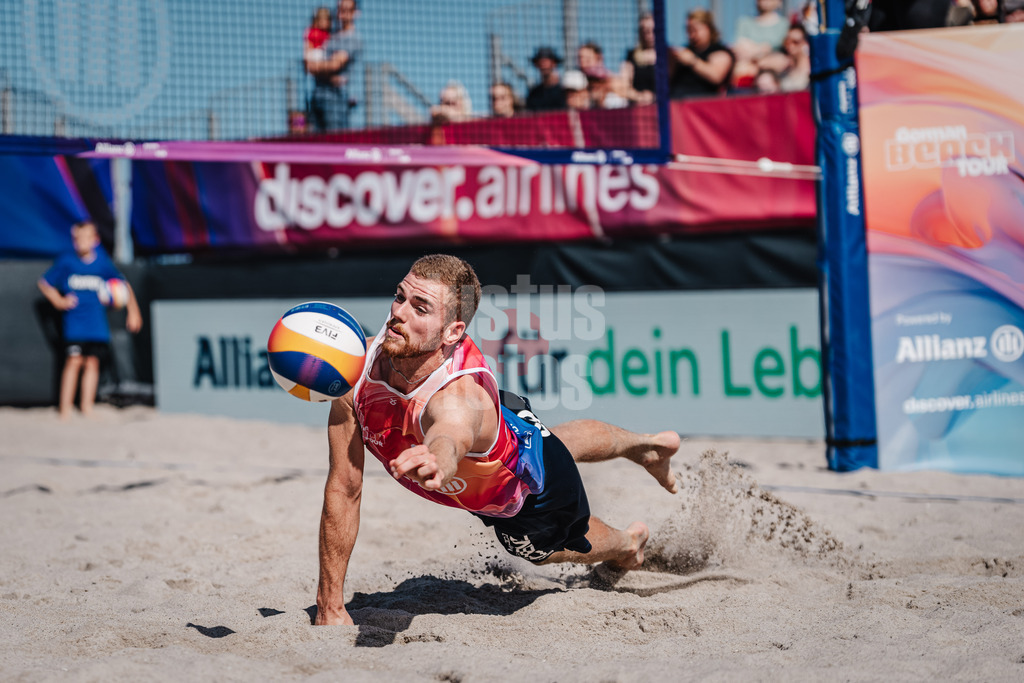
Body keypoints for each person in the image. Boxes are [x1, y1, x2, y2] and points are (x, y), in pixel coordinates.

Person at [315, 255, 681, 626]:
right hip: (505, 435)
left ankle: (628, 544)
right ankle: (646, 447)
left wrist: (438, 459)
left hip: (519, 491)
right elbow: (344, 488)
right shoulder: (356, 369)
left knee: (543, 546)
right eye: (400, 296)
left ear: (452, 333)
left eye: (420, 308)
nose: (398, 313)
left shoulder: (458, 398)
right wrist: (330, 607)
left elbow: (450, 434)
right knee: (550, 440)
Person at [37, 221, 142, 419]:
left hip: (96, 325)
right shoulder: (67, 262)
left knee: (92, 363)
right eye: (76, 238)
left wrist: (133, 311)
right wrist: (58, 300)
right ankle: (65, 409)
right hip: (74, 325)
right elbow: (44, 283)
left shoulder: (102, 263)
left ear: (95, 240)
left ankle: (86, 407)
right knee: (74, 361)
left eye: (85, 237)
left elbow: (123, 285)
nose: (80, 242)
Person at [306, 0, 363, 132]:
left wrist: (316, 68)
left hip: (336, 100)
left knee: (334, 142)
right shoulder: (329, 35)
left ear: (355, 13)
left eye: (346, 10)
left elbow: (334, 65)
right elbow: (308, 64)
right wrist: (327, 74)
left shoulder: (353, 38)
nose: (341, 14)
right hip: (317, 96)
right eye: (340, 9)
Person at [669, 9, 734, 99]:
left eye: (695, 30)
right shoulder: (683, 51)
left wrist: (692, 61)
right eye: (688, 30)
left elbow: (716, 76)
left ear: (707, 28)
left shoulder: (720, 51)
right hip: (675, 101)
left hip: (703, 104)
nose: (691, 35)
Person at [732, 0, 790, 88]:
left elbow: (783, 60)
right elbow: (741, 50)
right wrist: (764, 50)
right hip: (748, 73)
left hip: (770, 72)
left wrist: (755, 56)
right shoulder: (745, 23)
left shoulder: (785, 25)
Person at [620, 11, 657, 106]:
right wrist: (639, 97)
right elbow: (623, 87)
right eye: (645, 31)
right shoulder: (631, 56)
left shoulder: (667, 55)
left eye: (652, 30)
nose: (648, 34)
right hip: (638, 108)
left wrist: (655, 97)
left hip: (662, 107)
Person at [578, 42, 628, 109]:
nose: (582, 61)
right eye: (580, 58)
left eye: (587, 58)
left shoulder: (614, 98)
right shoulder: (576, 78)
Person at [525, 46, 567, 112]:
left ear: (554, 63)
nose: (543, 65)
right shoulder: (534, 94)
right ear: (537, 65)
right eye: (541, 62)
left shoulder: (564, 90)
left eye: (546, 61)